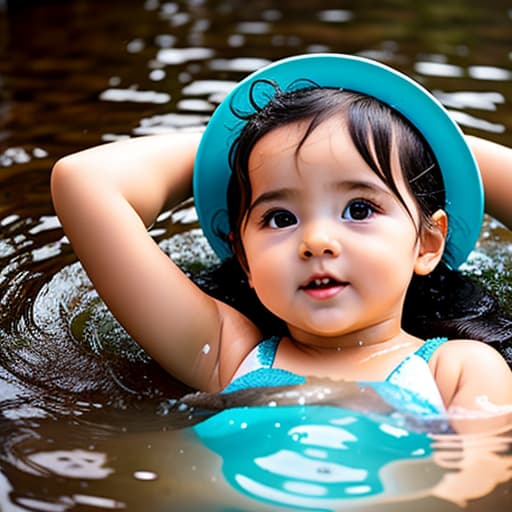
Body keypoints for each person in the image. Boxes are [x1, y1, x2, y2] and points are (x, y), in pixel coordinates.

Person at [50, 54, 512, 421]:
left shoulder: (459, 370)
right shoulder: (225, 356)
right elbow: (83, 180)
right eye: (279, 217)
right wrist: (247, 143)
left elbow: (468, 489)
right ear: (245, 258)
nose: (316, 241)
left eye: (359, 208)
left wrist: (428, 136)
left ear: (428, 244)